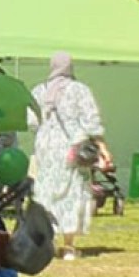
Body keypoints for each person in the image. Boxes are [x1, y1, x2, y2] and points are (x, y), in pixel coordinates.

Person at [31, 52, 107, 261]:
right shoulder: (79, 91)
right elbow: (91, 121)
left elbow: (31, 122)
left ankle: (48, 242)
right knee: (72, 194)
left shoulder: (39, 91)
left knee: (47, 193)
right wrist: (102, 147)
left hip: (46, 149)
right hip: (72, 150)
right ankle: (69, 246)